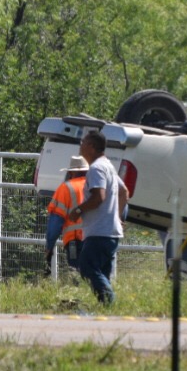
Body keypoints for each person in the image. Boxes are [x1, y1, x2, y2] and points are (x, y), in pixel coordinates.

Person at [66, 129, 128, 304]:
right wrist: (118, 217)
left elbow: (98, 197)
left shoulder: (96, 168)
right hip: (110, 231)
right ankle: (107, 308)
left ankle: (111, 302)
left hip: (99, 231)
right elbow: (124, 192)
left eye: (83, 142)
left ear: (92, 147)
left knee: (87, 268)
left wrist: (78, 210)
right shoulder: (108, 166)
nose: (80, 145)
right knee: (103, 273)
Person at [45, 155, 89, 274]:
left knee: (77, 275)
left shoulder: (66, 188)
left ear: (70, 172)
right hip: (98, 237)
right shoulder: (98, 186)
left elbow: (55, 222)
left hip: (76, 240)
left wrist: (49, 246)